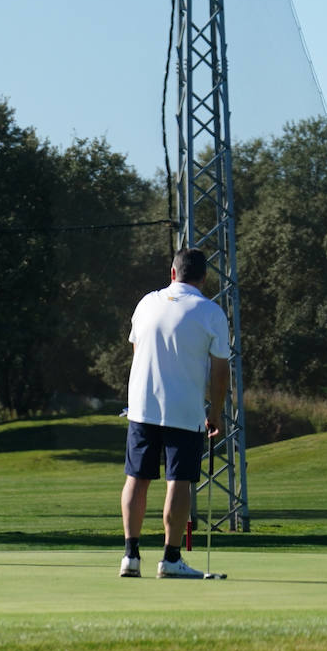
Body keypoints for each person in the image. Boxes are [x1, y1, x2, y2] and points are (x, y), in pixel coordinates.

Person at [119, 247, 230, 579]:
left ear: (172, 273)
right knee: (178, 482)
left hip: (141, 407)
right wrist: (217, 413)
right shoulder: (211, 312)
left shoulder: (146, 303)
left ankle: (130, 556)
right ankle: (170, 559)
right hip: (184, 409)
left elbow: (138, 351)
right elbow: (220, 371)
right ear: (203, 278)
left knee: (137, 479)